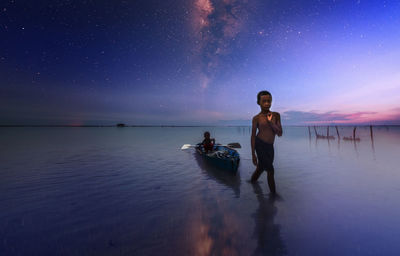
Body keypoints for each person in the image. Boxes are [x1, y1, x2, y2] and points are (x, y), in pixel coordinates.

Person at [251, 90, 283, 194]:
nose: (267, 103)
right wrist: (253, 154)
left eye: (269, 101)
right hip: (259, 144)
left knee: (260, 168)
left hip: (270, 146)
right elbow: (253, 136)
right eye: (264, 101)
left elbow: (280, 133)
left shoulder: (276, 115)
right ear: (258, 102)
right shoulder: (256, 118)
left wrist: (271, 122)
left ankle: (252, 182)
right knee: (270, 170)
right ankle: (273, 196)